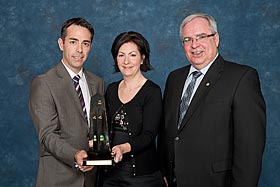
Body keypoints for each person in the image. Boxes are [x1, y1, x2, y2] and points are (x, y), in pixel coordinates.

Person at [157, 13, 266, 187]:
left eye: (201, 37)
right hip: (174, 181)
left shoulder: (242, 78)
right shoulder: (174, 78)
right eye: (187, 39)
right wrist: (164, 170)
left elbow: (250, 149)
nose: (194, 45)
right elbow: (168, 130)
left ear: (216, 38)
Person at [29, 17, 104, 187]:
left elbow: (97, 127)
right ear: (61, 44)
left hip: (91, 179)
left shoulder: (97, 82)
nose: (79, 50)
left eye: (85, 43)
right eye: (73, 42)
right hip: (58, 179)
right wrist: (75, 155)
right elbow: (47, 135)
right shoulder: (44, 83)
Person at [101, 31, 165, 187]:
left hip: (142, 177)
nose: (126, 61)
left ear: (142, 58)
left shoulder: (152, 91)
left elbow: (149, 135)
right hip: (111, 173)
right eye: (121, 55)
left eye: (132, 55)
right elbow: (103, 128)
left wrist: (123, 148)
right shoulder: (110, 89)